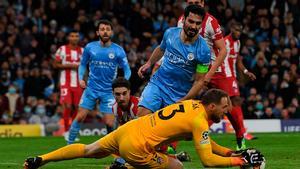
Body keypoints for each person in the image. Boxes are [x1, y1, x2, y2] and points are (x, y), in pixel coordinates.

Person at [24, 89, 265, 169]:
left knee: (88, 150)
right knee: (177, 166)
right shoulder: (199, 121)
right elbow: (207, 161)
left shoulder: (193, 107)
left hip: (130, 129)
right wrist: (241, 163)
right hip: (136, 146)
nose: (226, 112)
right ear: (212, 105)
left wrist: (230, 153)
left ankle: (40, 160)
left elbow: (206, 143)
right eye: (224, 108)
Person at [137, 5, 211, 118]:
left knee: (168, 133)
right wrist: (149, 63)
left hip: (179, 95)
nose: (193, 26)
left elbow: (199, 81)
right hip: (158, 84)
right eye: (191, 21)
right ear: (183, 20)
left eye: (197, 23)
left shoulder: (204, 50)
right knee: (141, 115)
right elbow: (161, 49)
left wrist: (185, 100)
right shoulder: (170, 33)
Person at [67, 19, 131, 144]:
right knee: (80, 117)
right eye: (102, 29)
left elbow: (127, 70)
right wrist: (81, 78)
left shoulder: (118, 50)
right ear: (98, 32)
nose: (105, 32)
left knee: (109, 123)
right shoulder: (90, 47)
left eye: (107, 29)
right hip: (91, 89)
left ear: (111, 32)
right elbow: (82, 65)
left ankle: (112, 147)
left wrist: (123, 82)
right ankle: (69, 144)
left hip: (109, 92)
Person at [209, 22, 256, 149]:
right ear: (231, 29)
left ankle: (241, 135)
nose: (238, 33)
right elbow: (218, 58)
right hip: (224, 76)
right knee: (233, 103)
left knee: (226, 106)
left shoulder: (238, 43)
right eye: (236, 30)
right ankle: (241, 135)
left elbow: (237, 60)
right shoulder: (224, 42)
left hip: (230, 77)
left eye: (240, 30)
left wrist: (246, 72)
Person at [53, 30, 83, 141]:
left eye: (76, 36)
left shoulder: (83, 51)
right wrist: (69, 65)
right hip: (65, 82)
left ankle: (73, 132)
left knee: (76, 107)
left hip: (78, 83)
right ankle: (66, 131)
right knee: (67, 106)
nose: (74, 38)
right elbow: (55, 64)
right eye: (72, 36)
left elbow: (86, 66)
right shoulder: (62, 49)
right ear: (68, 38)